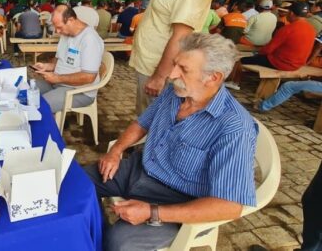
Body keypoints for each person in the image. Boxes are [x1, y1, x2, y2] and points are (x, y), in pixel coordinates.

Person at [84, 33, 257, 251]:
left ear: (213, 77)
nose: (172, 74)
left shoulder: (234, 127)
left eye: (183, 69)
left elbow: (230, 205)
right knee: (76, 183)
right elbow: (142, 123)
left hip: (178, 199)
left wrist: (152, 212)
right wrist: (116, 150)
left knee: (120, 243)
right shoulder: (176, 92)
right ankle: (93, 234)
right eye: (175, 65)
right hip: (139, 169)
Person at [226, 1, 317, 90]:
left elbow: (268, 49)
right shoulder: (311, 29)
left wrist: (258, 53)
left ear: (292, 13)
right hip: (298, 64)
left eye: (288, 12)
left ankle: (234, 82)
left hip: (280, 63)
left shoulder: (288, 29)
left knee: (241, 60)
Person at [32, 4, 104, 113]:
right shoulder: (66, 35)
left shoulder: (90, 39)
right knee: (26, 89)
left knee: (40, 107)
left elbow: (89, 77)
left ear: (70, 20)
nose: (57, 31)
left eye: (59, 27)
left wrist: (57, 78)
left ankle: (46, 128)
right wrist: (47, 66)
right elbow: (60, 59)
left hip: (79, 91)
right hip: (58, 83)